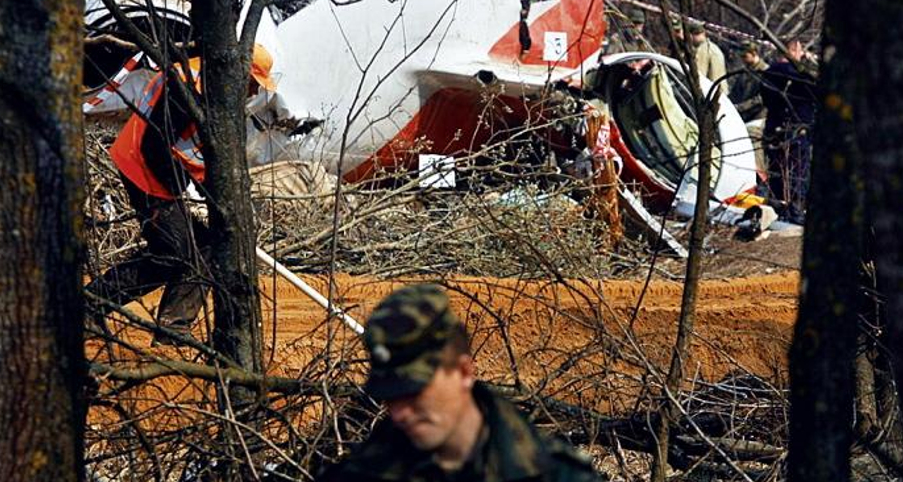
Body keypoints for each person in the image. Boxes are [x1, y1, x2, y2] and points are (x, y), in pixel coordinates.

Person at [89, 44, 279, 345]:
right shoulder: (188, 89)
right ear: (237, 72)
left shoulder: (213, 92)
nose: (253, 93)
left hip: (161, 171)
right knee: (173, 250)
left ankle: (173, 328)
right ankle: (90, 305)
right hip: (142, 165)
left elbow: (204, 157)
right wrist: (180, 187)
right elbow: (155, 144)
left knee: (203, 245)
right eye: (252, 84)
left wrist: (217, 201)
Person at [318, 284, 603, 482]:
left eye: (414, 391)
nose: (399, 412)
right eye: (390, 396)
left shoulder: (557, 475)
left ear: (465, 372)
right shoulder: (358, 473)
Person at [760, 39, 818, 223]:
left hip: (773, 128)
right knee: (796, 173)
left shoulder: (768, 73)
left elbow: (766, 100)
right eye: (800, 50)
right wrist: (809, 64)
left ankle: (779, 209)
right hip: (796, 129)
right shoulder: (801, 75)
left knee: (776, 171)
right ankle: (794, 212)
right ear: (793, 50)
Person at [729, 41, 769, 173]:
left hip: (759, 118)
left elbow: (761, 99)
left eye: (745, 56)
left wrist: (740, 107)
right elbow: (735, 93)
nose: (743, 60)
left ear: (754, 54)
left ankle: (760, 178)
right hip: (743, 117)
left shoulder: (765, 72)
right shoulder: (745, 71)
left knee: (754, 147)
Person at [687, 20, 727, 85]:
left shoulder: (702, 50)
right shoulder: (714, 48)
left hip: (709, 90)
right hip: (720, 90)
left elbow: (699, 75)